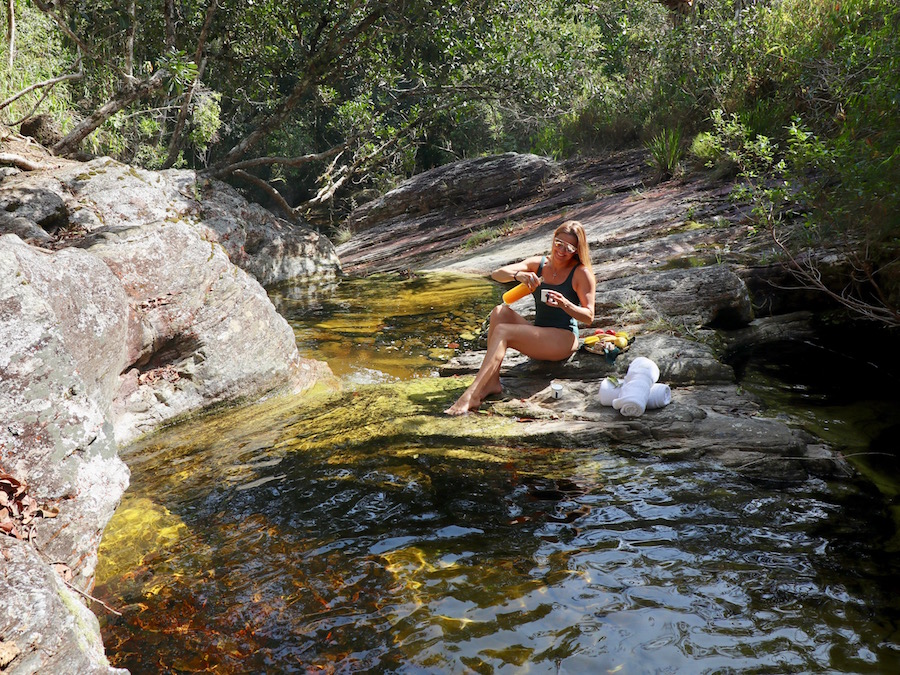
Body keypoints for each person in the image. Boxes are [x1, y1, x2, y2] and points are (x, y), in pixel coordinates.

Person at [444, 220, 596, 415]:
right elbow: (497, 274)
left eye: (569, 247)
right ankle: (492, 382)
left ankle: (472, 394)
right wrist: (519, 276)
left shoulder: (581, 273)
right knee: (500, 312)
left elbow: (589, 317)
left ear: (577, 250)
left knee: (503, 331)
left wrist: (565, 304)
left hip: (563, 339)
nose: (562, 250)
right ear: (553, 240)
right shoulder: (539, 265)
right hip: (540, 333)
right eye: (559, 243)